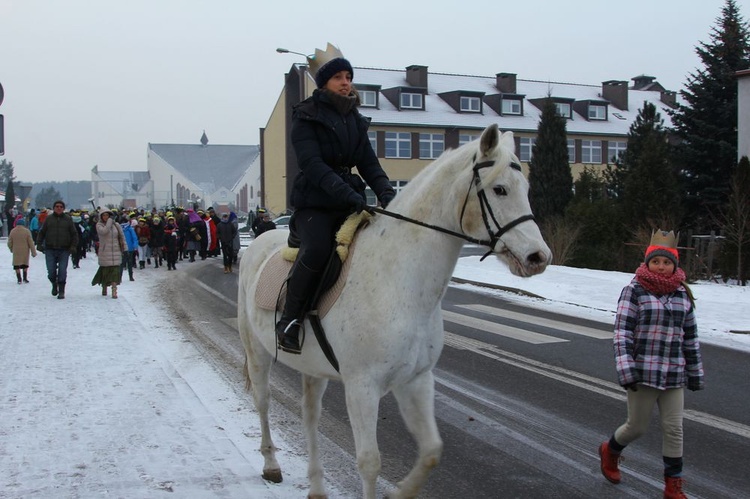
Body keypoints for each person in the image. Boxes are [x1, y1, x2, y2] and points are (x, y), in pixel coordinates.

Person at [275, 44, 396, 354]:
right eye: (339, 77)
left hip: (347, 201)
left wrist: (385, 192)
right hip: (314, 203)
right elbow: (312, 165)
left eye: (349, 76)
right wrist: (347, 192)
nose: (346, 82)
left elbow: (368, 162)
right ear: (324, 82)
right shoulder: (306, 116)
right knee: (318, 249)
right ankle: (290, 319)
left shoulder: (354, 119)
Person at [599, 229, 704, 499]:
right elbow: (622, 332)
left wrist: (694, 373)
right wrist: (626, 369)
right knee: (637, 427)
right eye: (656, 261)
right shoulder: (633, 291)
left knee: (674, 428)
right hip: (642, 373)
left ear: (674, 265)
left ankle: (672, 485)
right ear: (647, 263)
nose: (661, 266)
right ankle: (610, 451)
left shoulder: (683, 295)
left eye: (666, 262)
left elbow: (690, 337)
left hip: (673, 374)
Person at [36, 200, 79, 299]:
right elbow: (42, 232)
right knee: (51, 271)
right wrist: (38, 243)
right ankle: (54, 284)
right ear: (54, 208)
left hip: (64, 249)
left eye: (61, 207)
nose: (59, 208)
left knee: (62, 270)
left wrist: (73, 246)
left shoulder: (68, 219)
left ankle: (62, 290)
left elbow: (74, 234)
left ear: (63, 209)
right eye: (57, 206)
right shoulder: (49, 219)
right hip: (50, 248)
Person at [91, 209, 126, 299]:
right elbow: (104, 231)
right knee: (105, 271)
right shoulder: (99, 225)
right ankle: (104, 286)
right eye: (104, 215)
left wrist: (124, 247)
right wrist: (109, 223)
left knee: (115, 272)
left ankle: (114, 290)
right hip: (105, 251)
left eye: (107, 215)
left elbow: (121, 236)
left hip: (116, 251)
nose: (106, 217)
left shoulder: (116, 225)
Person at [7, 218, 37, 284]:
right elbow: (31, 242)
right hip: (25, 250)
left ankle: (19, 279)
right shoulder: (27, 231)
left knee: (16, 264)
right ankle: (25, 278)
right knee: (25, 264)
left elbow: (9, 242)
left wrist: (11, 248)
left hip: (16, 250)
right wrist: (33, 252)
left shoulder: (13, 231)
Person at [120, 215, 139, 281]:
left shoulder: (130, 229)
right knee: (122, 263)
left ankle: (130, 276)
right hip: (123, 248)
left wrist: (135, 246)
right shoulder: (121, 230)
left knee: (129, 263)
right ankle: (120, 277)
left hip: (129, 248)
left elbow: (134, 238)